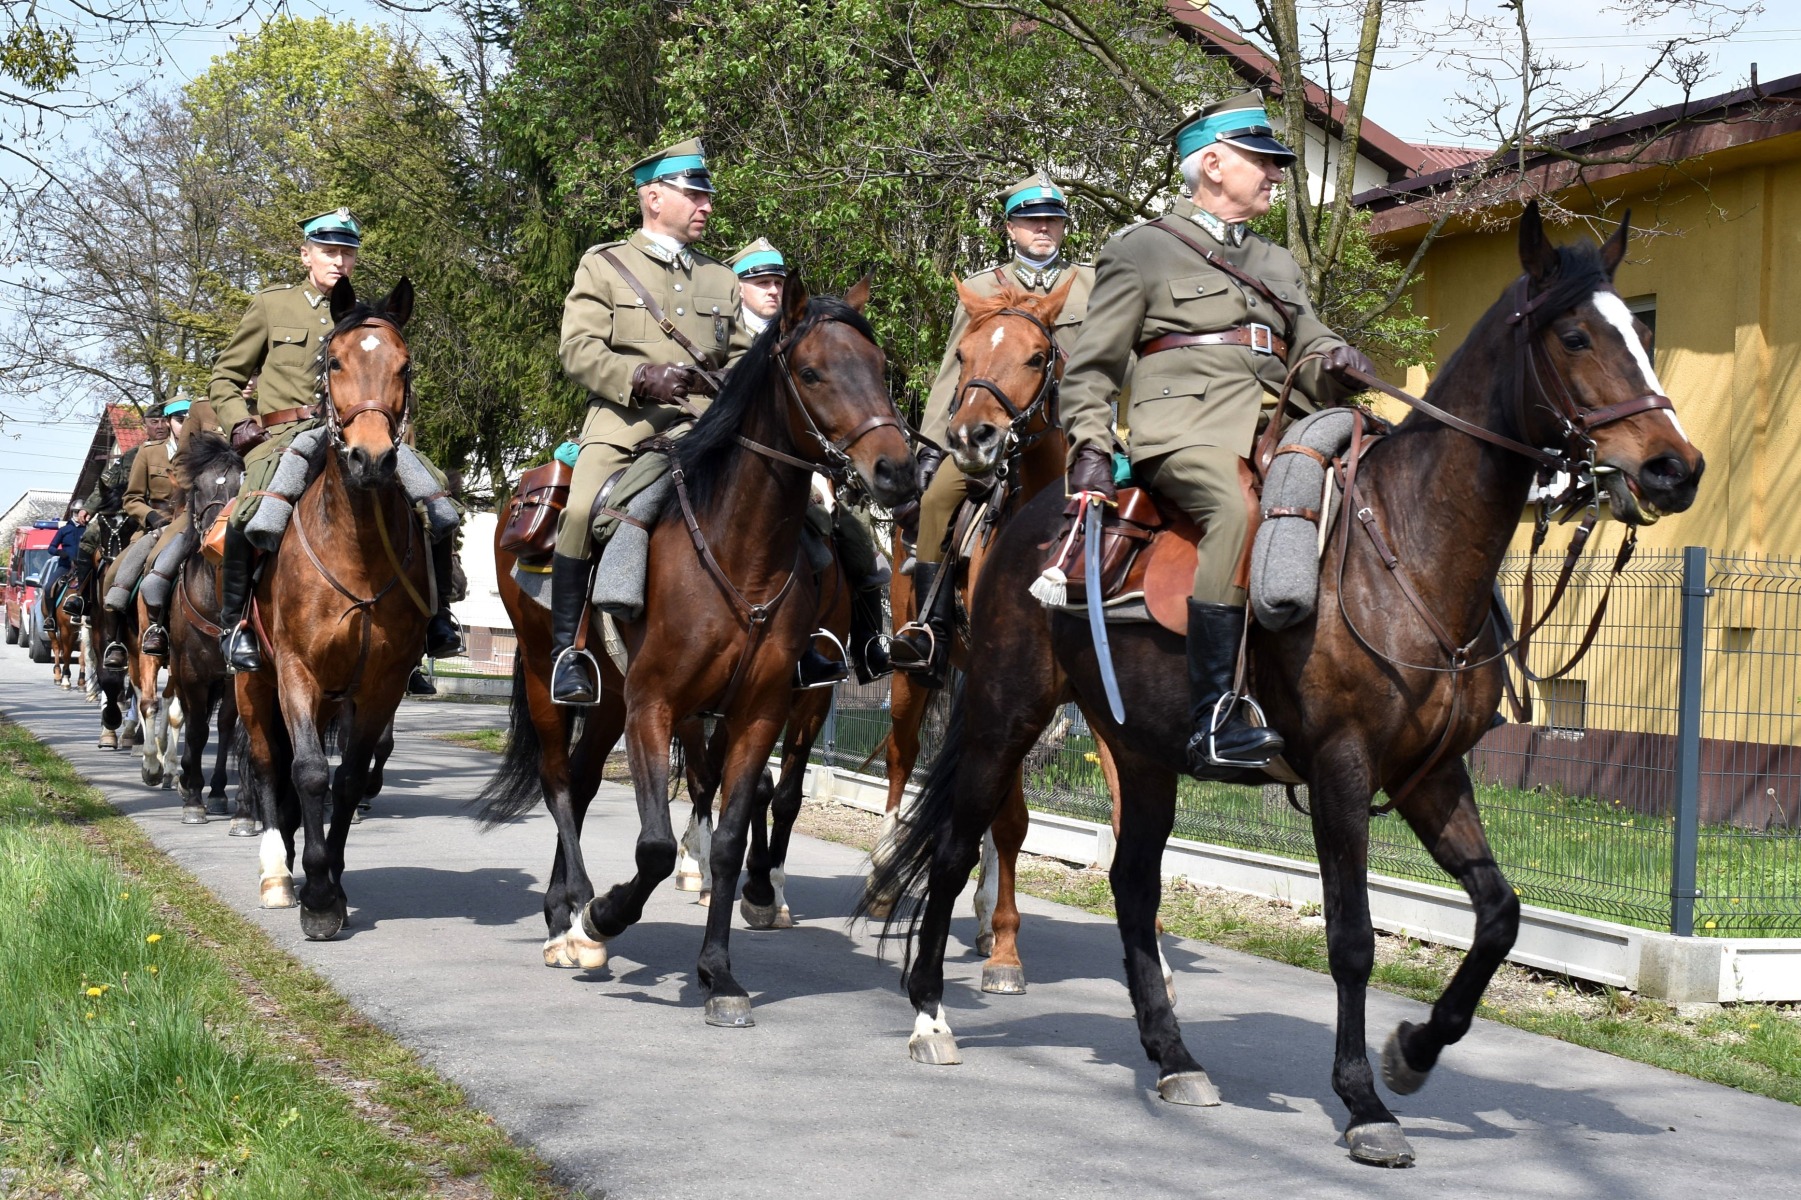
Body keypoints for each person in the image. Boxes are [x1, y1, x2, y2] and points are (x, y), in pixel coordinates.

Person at [1057, 91, 1374, 773]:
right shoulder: (1140, 250)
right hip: (1184, 431)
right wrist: (1088, 442)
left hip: (1280, 423)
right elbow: (1093, 365)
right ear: (1211, 164)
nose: (1274, 174)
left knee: (1380, 487)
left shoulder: (1276, 262)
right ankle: (1214, 716)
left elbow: (1309, 342)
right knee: (1237, 507)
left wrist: (1337, 360)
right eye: (1260, 160)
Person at [209, 207, 463, 674]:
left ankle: (438, 619)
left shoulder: (369, 320)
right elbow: (225, 377)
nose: (338, 261)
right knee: (251, 508)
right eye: (328, 251)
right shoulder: (272, 306)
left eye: (347, 253)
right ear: (306, 255)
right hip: (288, 435)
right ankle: (236, 628)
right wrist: (241, 424)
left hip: (362, 434)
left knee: (435, 501)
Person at [548, 138, 755, 705]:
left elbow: (742, 356)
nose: (706, 205)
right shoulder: (606, 264)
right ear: (653, 196)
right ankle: (568, 652)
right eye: (694, 194)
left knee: (796, 503)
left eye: (707, 195)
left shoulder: (722, 278)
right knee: (583, 511)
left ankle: (810, 638)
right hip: (627, 422)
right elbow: (578, 350)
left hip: (708, 425)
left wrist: (733, 387)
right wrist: (641, 378)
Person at [890, 171, 1098, 687]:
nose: (1043, 229)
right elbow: (953, 374)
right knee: (937, 501)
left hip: (1076, 435)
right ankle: (930, 630)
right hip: (996, 439)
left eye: (1052, 219)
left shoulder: (1095, 284)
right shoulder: (984, 287)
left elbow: (1119, 363)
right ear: (1010, 228)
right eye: (1031, 221)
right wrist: (937, 448)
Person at [728, 237, 892, 685]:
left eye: (778, 282)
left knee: (857, 539)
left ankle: (866, 643)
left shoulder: (808, 334)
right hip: (730, 456)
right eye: (760, 282)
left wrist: (823, 468)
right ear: (737, 287)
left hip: (803, 461)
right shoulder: (721, 329)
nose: (773, 291)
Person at [105, 398, 187, 658]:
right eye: (179, 420)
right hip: (157, 524)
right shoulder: (149, 452)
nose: (184, 425)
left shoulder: (204, 452)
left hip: (192, 523)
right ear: (168, 422)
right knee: (113, 574)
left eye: (189, 419)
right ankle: (115, 642)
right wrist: (151, 517)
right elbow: (132, 499)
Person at [65, 452, 136, 619]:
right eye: (154, 422)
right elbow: (105, 484)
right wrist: (88, 508)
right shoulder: (132, 455)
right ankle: (83, 597)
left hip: (160, 512)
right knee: (89, 537)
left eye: (163, 422)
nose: (160, 426)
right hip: (123, 510)